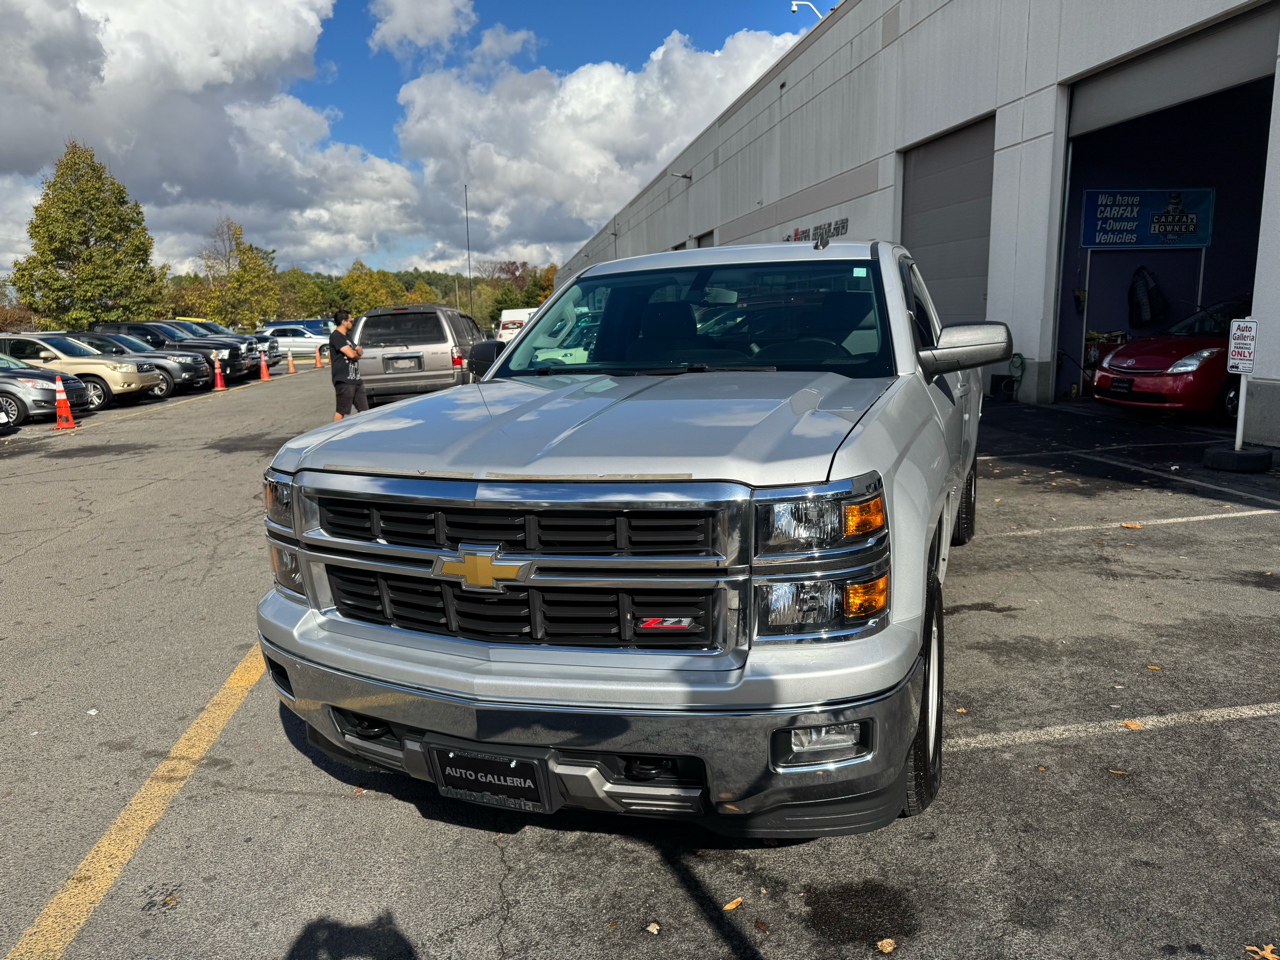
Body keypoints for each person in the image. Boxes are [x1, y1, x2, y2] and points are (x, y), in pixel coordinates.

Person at [328, 309, 367, 420]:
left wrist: (357, 352)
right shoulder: (336, 336)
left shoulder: (347, 337)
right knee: (341, 411)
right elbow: (351, 354)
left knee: (364, 410)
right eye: (350, 320)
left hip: (356, 379)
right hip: (344, 380)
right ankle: (334, 433)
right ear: (344, 322)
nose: (352, 323)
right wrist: (356, 352)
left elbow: (359, 353)